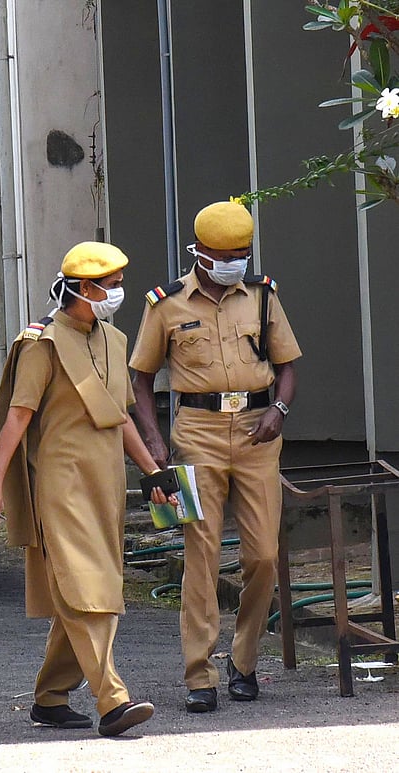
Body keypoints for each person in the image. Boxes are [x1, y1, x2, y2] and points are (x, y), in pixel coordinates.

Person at [0, 241, 177, 738]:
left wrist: (153, 472)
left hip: (105, 483)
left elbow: (121, 415)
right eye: (109, 286)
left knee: (91, 585)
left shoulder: (113, 338)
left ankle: (49, 698)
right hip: (59, 485)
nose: (118, 293)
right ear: (82, 289)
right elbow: (17, 419)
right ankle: (113, 700)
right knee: (88, 589)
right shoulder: (41, 344)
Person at [128, 200, 301, 713]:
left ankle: (243, 659)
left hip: (257, 432)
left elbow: (288, 364)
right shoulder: (166, 304)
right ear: (200, 252)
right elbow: (141, 378)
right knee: (200, 556)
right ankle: (198, 674)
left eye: (242, 253)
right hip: (196, 432)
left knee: (264, 554)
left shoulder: (263, 297)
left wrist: (282, 410)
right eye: (224, 253)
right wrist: (156, 444)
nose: (234, 262)